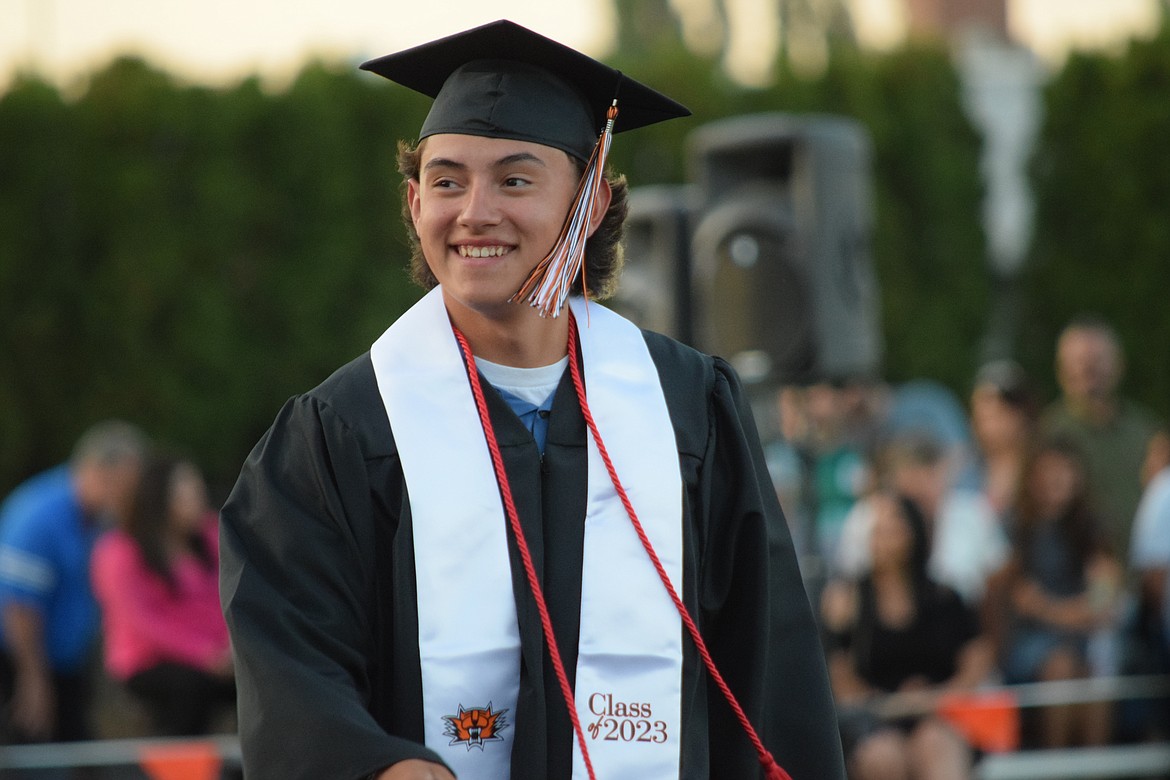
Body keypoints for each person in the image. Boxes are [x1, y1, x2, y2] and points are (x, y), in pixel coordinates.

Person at [219, 19, 845, 780]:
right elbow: (290, 673)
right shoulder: (341, 433)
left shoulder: (685, 408)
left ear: (590, 203)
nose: (475, 212)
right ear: (415, 203)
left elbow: (771, 673)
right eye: (447, 181)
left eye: (515, 180)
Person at [821, 490, 993, 780]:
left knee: (935, 744)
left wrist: (935, 697)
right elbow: (838, 673)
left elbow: (976, 661)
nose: (884, 537)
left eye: (894, 527)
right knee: (882, 756)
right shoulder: (848, 599)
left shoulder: (944, 597)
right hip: (874, 719)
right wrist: (886, 704)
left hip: (938, 714)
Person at [0, 419, 147, 743]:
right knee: (33, 749)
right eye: (123, 485)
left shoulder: (97, 519)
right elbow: (20, 606)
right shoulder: (38, 516)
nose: (128, 497)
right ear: (95, 470)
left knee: (75, 744)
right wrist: (32, 679)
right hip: (20, 660)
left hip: (64, 662)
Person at [986, 434, 1121, 748]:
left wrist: (1052, 609)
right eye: (1047, 470)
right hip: (1028, 644)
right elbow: (1016, 599)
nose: (1055, 479)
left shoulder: (1093, 529)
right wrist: (1078, 613)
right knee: (1060, 666)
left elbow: (1103, 600)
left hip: (1083, 640)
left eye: (1064, 470)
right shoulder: (1014, 529)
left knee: (1096, 674)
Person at [91, 450, 234, 736]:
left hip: (217, 656)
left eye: (199, 491)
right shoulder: (119, 552)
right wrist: (205, 654)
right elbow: (144, 623)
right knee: (191, 688)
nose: (199, 501)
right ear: (160, 500)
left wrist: (232, 646)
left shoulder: (210, 535)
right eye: (187, 494)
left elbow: (231, 594)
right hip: (148, 662)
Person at [1040, 315, 1165, 565]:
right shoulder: (1045, 434)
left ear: (1118, 365)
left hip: (1145, 573)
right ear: (1061, 369)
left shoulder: (1146, 431)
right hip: (1075, 581)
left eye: (1097, 360)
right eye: (1078, 361)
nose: (1088, 369)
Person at [836, 430, 1008, 606]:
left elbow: (999, 580)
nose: (919, 487)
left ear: (942, 473)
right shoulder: (864, 518)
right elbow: (849, 583)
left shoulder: (975, 513)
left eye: (927, 476)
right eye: (910, 480)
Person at [968, 359, 1039, 521]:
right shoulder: (966, 470)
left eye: (993, 415)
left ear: (1020, 415)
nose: (983, 425)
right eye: (978, 415)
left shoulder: (1040, 470)